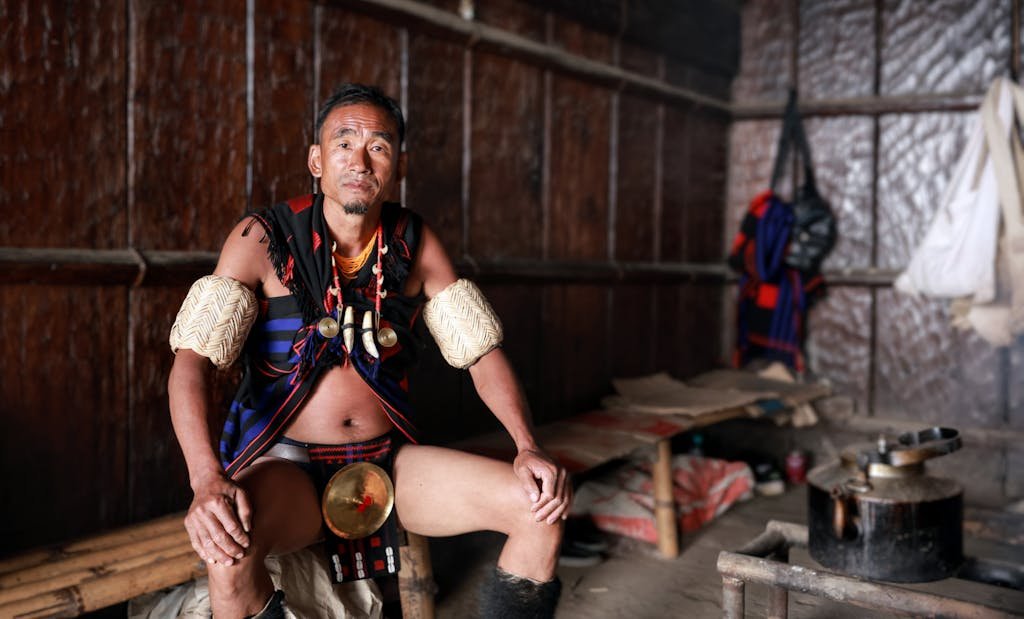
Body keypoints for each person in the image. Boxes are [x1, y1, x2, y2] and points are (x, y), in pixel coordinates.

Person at [167, 83, 570, 619]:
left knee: (539, 511)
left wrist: (526, 445)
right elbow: (190, 362)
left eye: (378, 146)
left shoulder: (415, 241)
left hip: (389, 465)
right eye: (343, 142)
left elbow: (480, 352)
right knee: (228, 553)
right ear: (316, 158)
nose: (359, 159)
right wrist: (205, 478)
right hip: (288, 464)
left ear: (398, 164)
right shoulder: (261, 237)